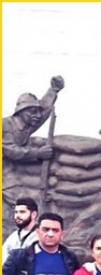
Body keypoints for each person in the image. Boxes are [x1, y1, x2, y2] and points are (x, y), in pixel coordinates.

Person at [3, 76, 64, 239]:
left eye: (37, 112)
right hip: (4, 174)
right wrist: (38, 153)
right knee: (23, 203)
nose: (37, 115)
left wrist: (53, 90)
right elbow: (10, 151)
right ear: (21, 112)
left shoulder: (26, 124)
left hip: (10, 171)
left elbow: (43, 112)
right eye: (33, 111)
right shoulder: (6, 125)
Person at [2, 197, 39, 265]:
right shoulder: (13, 236)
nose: (18, 216)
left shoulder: (40, 236)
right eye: (16, 212)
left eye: (22, 212)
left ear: (33, 214)